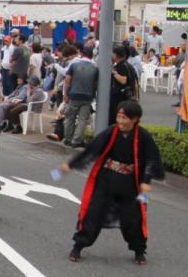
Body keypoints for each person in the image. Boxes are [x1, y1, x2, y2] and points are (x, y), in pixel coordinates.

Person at [58, 100, 163, 264]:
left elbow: (151, 159)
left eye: (124, 118)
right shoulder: (111, 132)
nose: (120, 121)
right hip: (106, 181)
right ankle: (78, 246)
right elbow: (92, 150)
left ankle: (139, 250)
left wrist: (146, 180)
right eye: (118, 117)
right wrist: (71, 164)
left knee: (133, 219)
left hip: (130, 185)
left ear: (135, 119)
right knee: (93, 213)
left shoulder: (143, 136)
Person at [62, 46, 97, 147]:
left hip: (74, 95)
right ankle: (76, 141)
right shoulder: (95, 68)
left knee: (70, 118)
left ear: (81, 54)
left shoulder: (74, 65)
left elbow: (67, 81)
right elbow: (95, 84)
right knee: (82, 120)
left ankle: (68, 139)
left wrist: (65, 94)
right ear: (91, 56)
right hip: (87, 97)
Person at [110, 45, 138, 120]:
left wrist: (113, 73)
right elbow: (135, 83)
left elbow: (123, 80)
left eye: (113, 53)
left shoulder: (121, 66)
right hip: (128, 96)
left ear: (116, 55)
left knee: (116, 118)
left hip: (119, 98)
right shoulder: (129, 66)